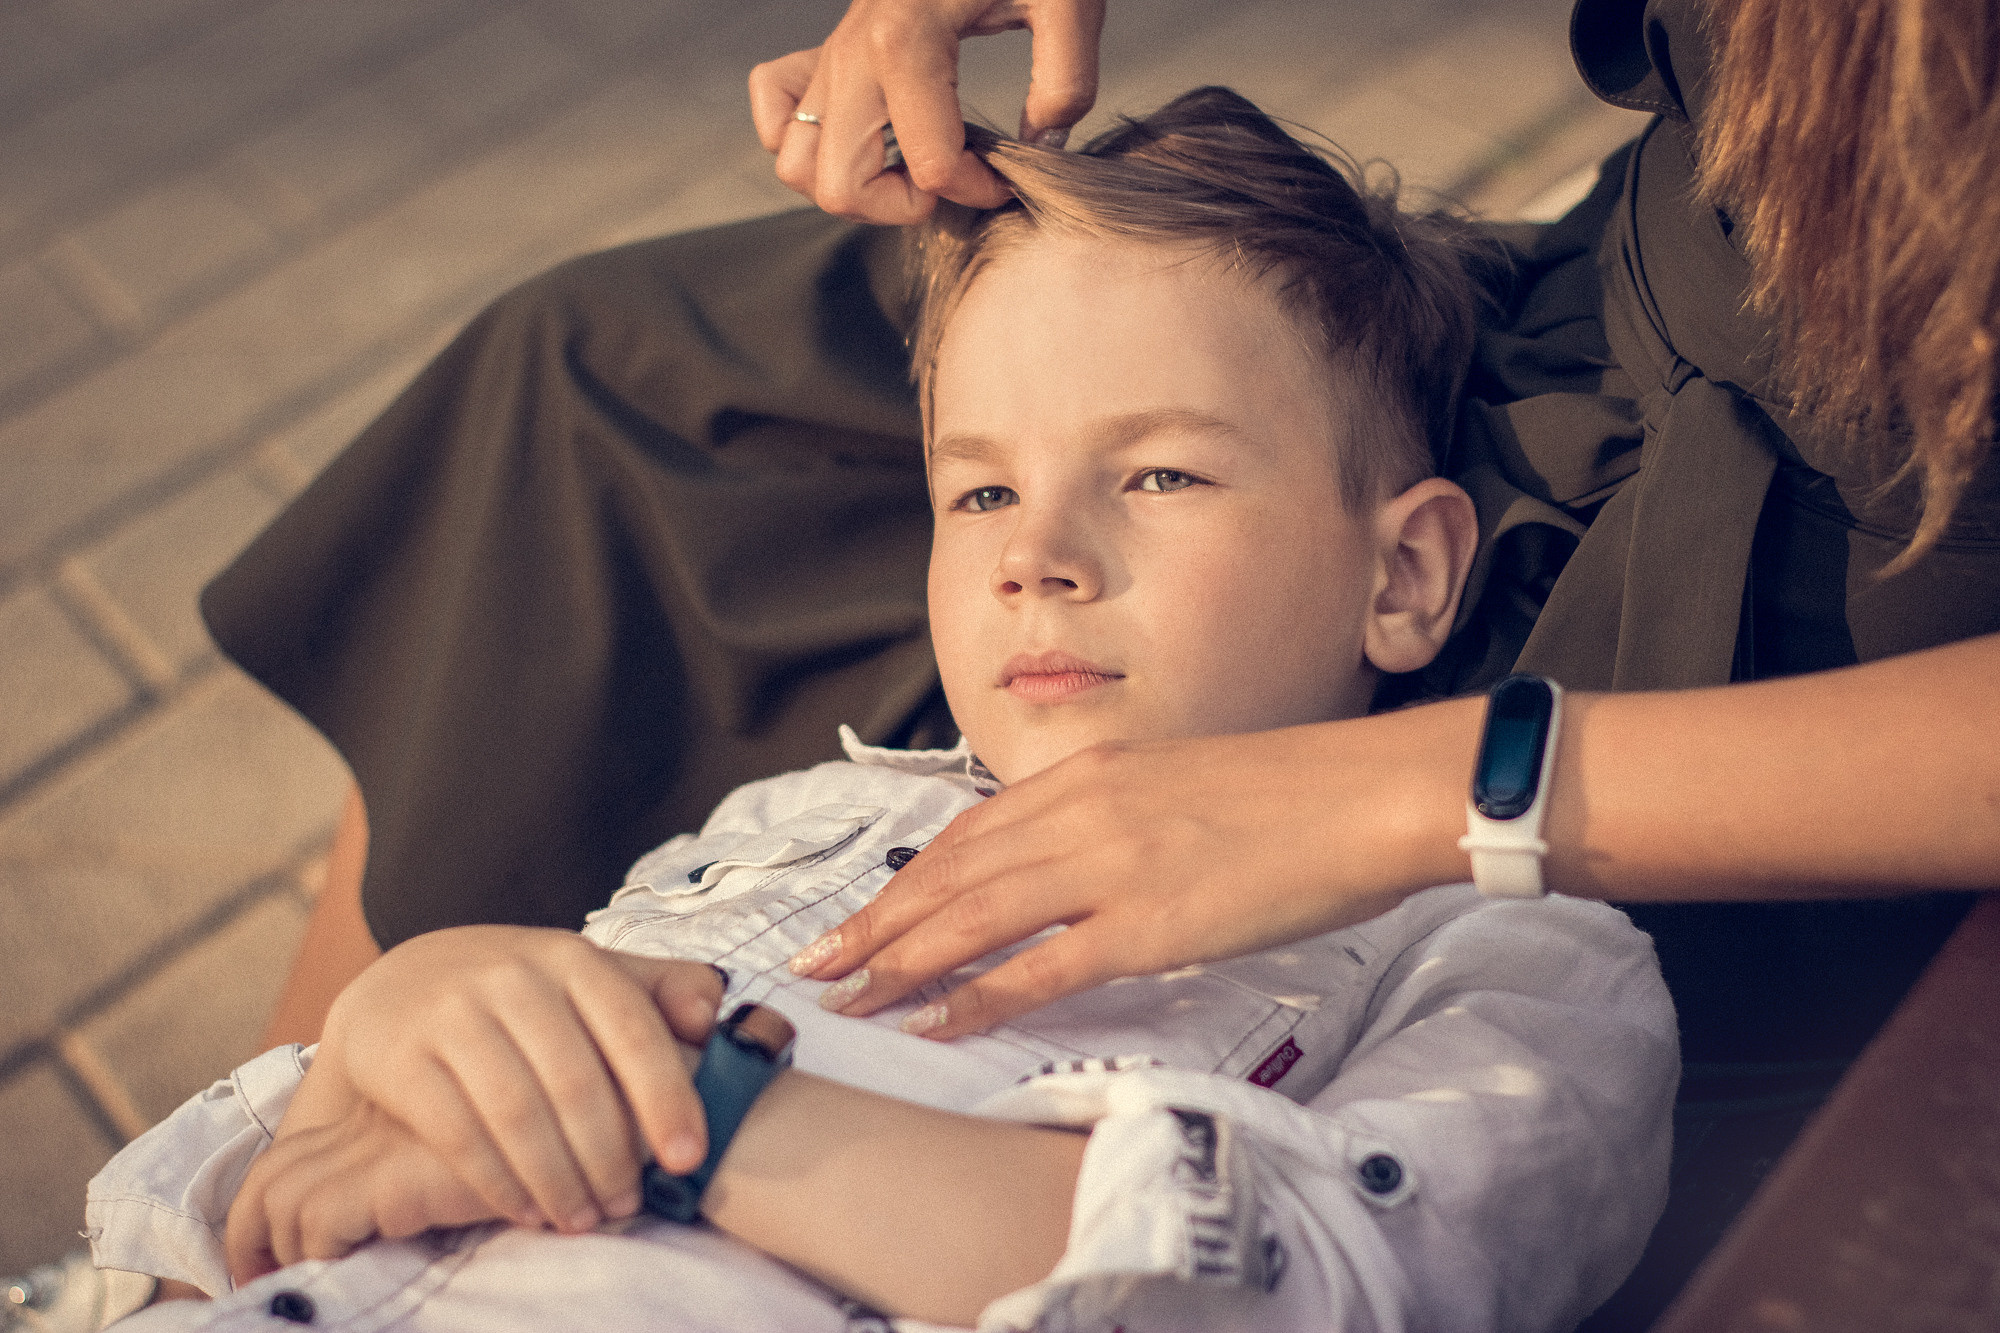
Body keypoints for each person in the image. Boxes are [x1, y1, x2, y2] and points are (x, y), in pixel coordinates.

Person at [190, 0, 1999, 1326]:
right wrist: (401, 1033)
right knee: (591, 379)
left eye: (1145, 477)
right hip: (1647, 288)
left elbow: (1298, 1279)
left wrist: (675, 1132)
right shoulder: (802, 823)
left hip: (1871, 577)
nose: (1034, 553)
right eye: (974, 493)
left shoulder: (1514, 987)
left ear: (1410, 576)